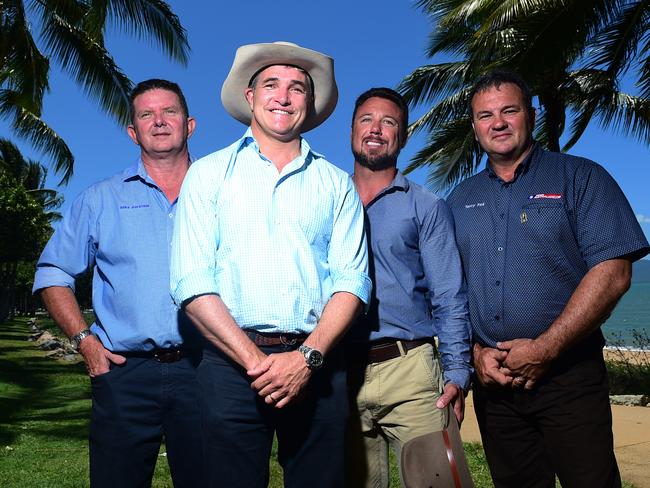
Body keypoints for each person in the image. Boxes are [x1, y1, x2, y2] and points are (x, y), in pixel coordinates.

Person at [169, 41, 371, 488]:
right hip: (229, 367)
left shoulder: (337, 184)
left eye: (297, 88)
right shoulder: (207, 175)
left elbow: (353, 282)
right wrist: (255, 360)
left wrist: (306, 358)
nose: (283, 96)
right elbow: (191, 281)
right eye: (271, 85)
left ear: (309, 103)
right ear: (250, 96)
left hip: (316, 364)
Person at [447, 70, 650, 488]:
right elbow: (450, 291)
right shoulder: (458, 200)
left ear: (532, 115)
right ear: (474, 127)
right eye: (485, 115)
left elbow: (614, 272)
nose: (497, 123)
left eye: (509, 110)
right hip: (495, 385)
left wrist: (546, 348)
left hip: (569, 380)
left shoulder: (580, 177)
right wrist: (474, 354)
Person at [33, 79, 203, 487]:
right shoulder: (100, 199)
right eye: (146, 114)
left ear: (190, 124)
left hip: (207, 371)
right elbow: (52, 273)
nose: (159, 122)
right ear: (133, 131)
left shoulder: (222, 194)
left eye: (170, 112)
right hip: (124, 373)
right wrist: (85, 342)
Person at [344, 87, 473, 487]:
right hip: (340, 372)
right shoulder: (327, 198)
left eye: (389, 123)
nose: (376, 130)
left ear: (401, 136)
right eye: (367, 119)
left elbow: (448, 293)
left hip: (411, 371)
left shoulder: (426, 205)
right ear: (351, 130)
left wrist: (457, 372)